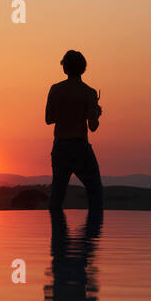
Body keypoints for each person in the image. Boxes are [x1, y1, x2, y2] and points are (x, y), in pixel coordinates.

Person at [45, 49, 103, 214]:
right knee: (95, 191)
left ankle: (58, 236)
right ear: (84, 68)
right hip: (80, 147)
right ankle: (92, 234)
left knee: (57, 194)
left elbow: (49, 119)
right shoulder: (89, 93)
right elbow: (93, 126)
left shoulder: (55, 89)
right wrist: (96, 113)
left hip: (60, 147)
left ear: (64, 68)